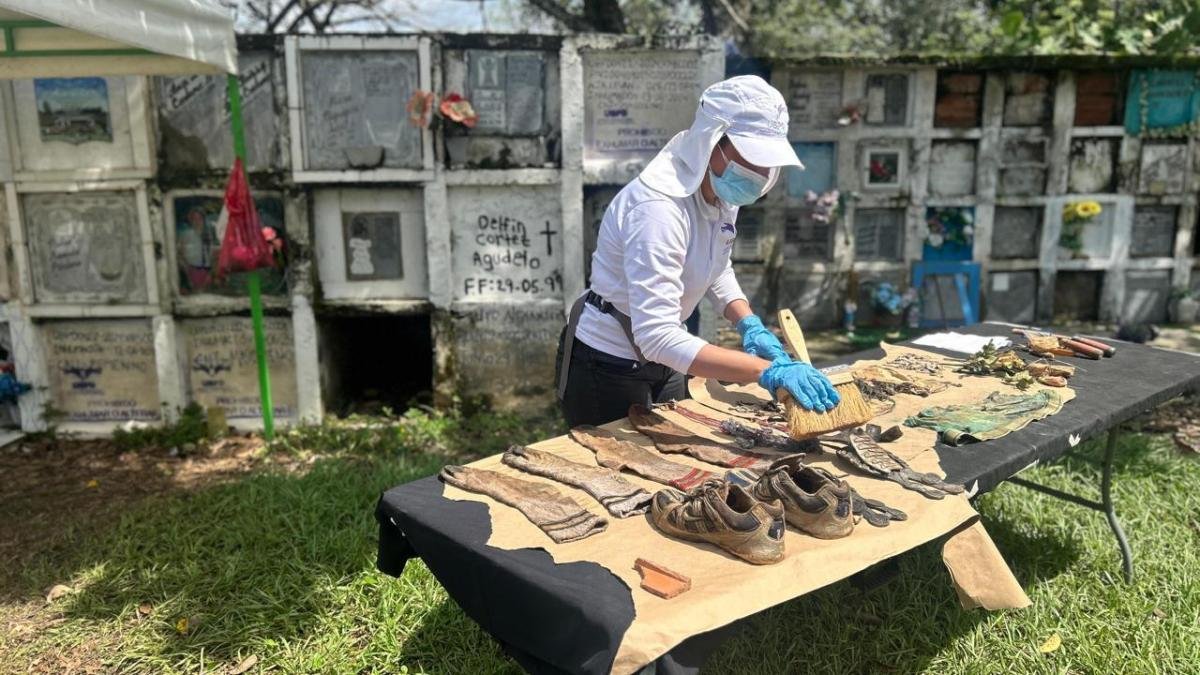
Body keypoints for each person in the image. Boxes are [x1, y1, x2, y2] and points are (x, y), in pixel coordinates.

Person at [556, 75, 841, 427]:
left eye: (769, 162)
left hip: (666, 353)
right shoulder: (658, 209)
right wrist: (766, 372)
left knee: (678, 454)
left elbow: (716, 267)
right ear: (711, 143)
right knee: (619, 471)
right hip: (607, 361)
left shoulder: (720, 195)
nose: (763, 173)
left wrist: (748, 323)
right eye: (753, 157)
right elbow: (656, 335)